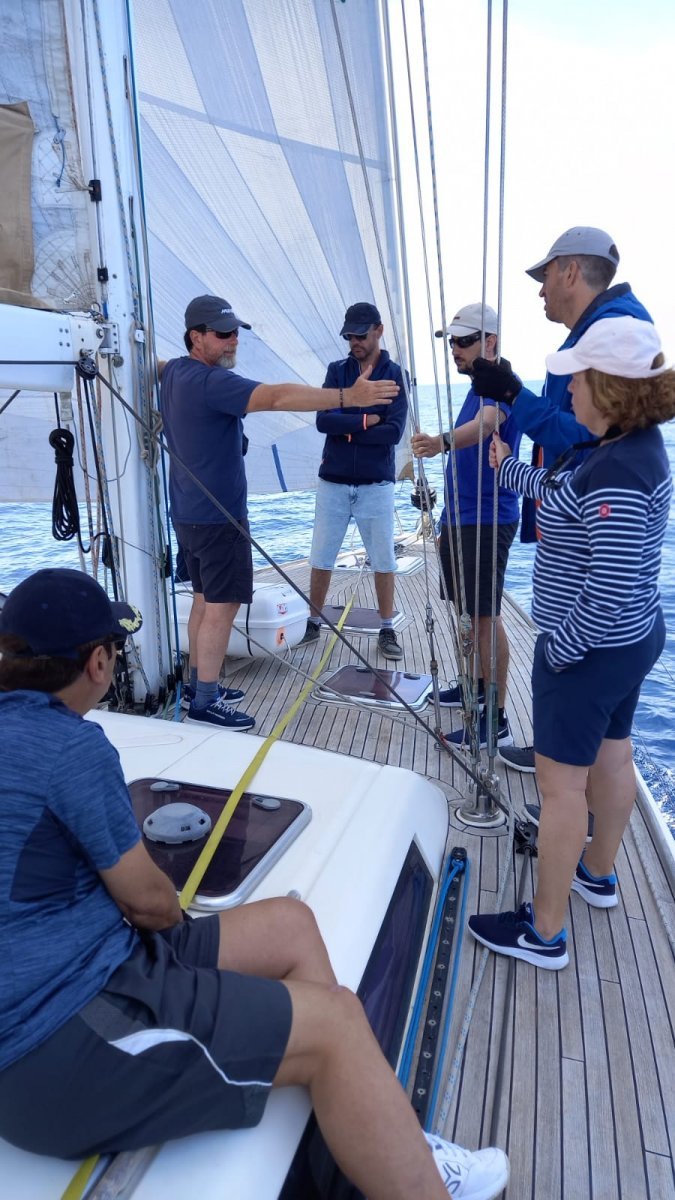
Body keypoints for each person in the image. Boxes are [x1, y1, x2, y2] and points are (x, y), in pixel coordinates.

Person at [0, 568, 509, 1200]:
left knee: (289, 925)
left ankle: (374, 1121)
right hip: (55, 1046)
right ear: (99, 662)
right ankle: (397, 1149)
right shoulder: (69, 748)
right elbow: (149, 901)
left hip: (103, 963)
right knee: (336, 1026)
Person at [468, 318, 674, 969]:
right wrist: (508, 475)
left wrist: (560, 652)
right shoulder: (615, 446)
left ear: (608, 389)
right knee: (613, 761)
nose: (568, 390)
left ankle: (544, 933)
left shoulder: (615, 470)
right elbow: (560, 492)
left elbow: (608, 587)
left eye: (577, 378)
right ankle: (597, 874)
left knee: (561, 793)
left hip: (588, 653)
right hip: (630, 641)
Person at [160, 295, 400, 730]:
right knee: (221, 607)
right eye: (222, 333)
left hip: (188, 513)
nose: (233, 339)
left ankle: (199, 685)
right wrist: (350, 395)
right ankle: (205, 703)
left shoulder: (176, 372)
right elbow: (273, 397)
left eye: (235, 331)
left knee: (201, 600)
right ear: (196, 337)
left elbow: (157, 366)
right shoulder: (213, 383)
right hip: (218, 518)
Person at [471, 227, 652, 773]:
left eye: (545, 275)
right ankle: (593, 846)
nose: (541, 290)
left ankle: (561, 770)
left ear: (571, 271)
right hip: (569, 515)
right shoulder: (610, 328)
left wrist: (512, 395)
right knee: (611, 750)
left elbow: (578, 438)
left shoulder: (609, 334)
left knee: (569, 768)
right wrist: (516, 471)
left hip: (579, 555)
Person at [412, 303, 522, 750]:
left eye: (463, 341)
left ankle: (494, 717)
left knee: (484, 617)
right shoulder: (477, 385)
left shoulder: (501, 386)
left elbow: (485, 427)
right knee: (467, 615)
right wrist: (443, 521)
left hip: (487, 518)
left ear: (489, 342)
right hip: (460, 519)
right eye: (452, 342)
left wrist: (439, 442)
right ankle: (473, 690)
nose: (453, 350)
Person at [299, 302, 409, 661]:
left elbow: (393, 432)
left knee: (383, 560)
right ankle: (313, 621)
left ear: (378, 330)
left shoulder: (395, 376)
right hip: (333, 482)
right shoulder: (337, 371)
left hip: (375, 484)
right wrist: (365, 421)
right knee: (321, 555)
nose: (354, 342)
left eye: (360, 335)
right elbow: (323, 421)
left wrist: (347, 425)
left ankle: (387, 627)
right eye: (349, 336)